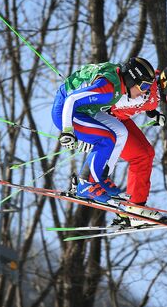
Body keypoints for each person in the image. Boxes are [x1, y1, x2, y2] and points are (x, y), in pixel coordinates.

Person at [51, 57, 157, 205]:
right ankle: (85, 184)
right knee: (106, 139)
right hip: (66, 112)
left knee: (121, 132)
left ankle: (100, 177)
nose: (143, 92)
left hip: (86, 110)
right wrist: (68, 130)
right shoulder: (108, 88)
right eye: (144, 87)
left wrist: (153, 112)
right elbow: (72, 99)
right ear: (132, 79)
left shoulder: (119, 83)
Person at [109, 64, 167, 226]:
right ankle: (133, 209)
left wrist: (152, 113)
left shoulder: (155, 85)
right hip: (108, 120)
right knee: (141, 155)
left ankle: (133, 209)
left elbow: (151, 88)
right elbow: (122, 95)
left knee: (145, 154)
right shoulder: (147, 94)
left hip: (119, 119)